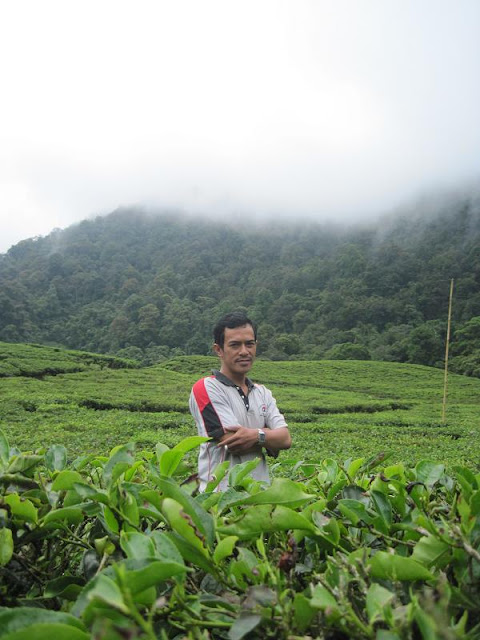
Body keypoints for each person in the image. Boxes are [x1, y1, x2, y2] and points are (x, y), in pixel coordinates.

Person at [189, 311, 292, 491]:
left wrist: (255, 436)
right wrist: (268, 435)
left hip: (259, 497)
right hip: (219, 499)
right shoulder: (206, 388)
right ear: (219, 350)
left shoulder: (263, 392)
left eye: (249, 344)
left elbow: (285, 439)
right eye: (235, 345)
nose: (244, 351)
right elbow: (232, 442)